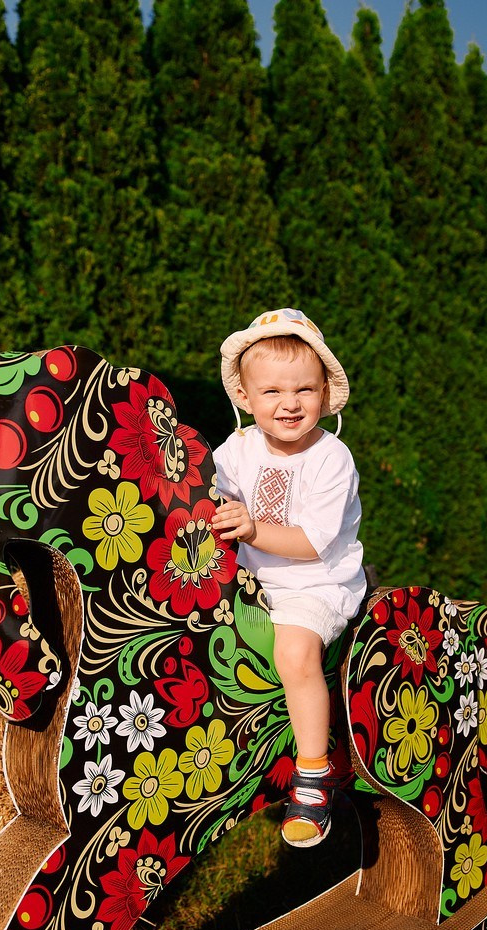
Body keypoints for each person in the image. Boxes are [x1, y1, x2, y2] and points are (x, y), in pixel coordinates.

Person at [211, 309, 366, 847]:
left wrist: (251, 528)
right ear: (246, 398)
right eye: (272, 390)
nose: (289, 402)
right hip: (251, 582)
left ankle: (313, 774)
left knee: (295, 653)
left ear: (324, 394)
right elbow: (204, 499)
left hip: (315, 583)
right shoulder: (235, 450)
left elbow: (309, 542)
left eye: (303, 388)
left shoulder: (331, 458)